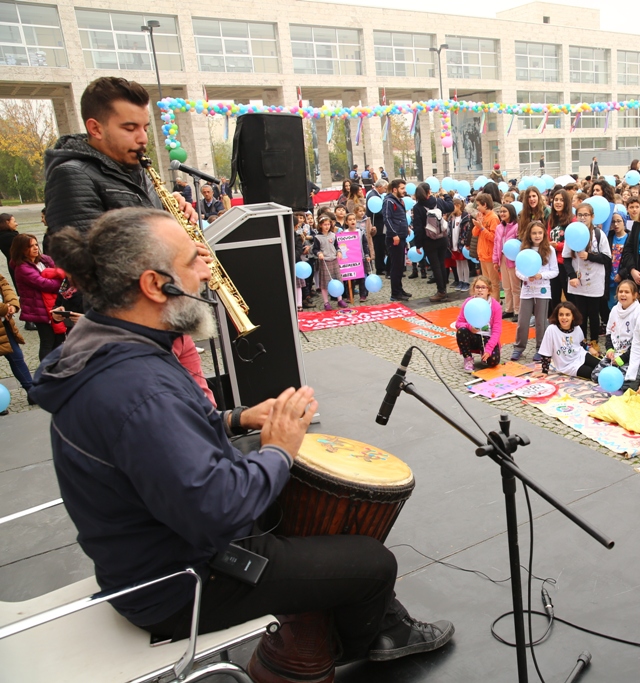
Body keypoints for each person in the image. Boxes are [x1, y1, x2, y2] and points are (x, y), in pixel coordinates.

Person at [32, 208, 453, 678]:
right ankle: (353, 642)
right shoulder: (140, 388)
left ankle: (341, 624)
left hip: (146, 557)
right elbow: (220, 509)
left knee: (294, 499)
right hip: (183, 585)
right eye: (193, 260)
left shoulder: (110, 348)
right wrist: (279, 448)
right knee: (373, 564)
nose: (206, 271)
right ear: (154, 285)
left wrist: (235, 419)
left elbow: (154, 441)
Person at [43, 77, 196, 264]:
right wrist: (178, 252)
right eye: (130, 129)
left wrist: (169, 213)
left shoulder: (134, 168)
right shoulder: (71, 176)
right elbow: (89, 264)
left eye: (145, 128)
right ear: (95, 128)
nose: (143, 139)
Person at [9, 233, 67, 361]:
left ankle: (55, 366)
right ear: (21, 249)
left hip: (51, 305)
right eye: (30, 246)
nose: (35, 248)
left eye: (36, 244)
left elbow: (61, 271)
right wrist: (61, 281)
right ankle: (45, 369)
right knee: (48, 341)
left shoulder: (44, 260)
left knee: (59, 338)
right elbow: (45, 284)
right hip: (38, 309)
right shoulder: (22, 268)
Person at [563, 203, 612, 347]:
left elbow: (607, 258)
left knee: (593, 312)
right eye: (580, 215)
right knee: (580, 313)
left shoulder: (599, 234)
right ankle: (582, 340)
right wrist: (572, 276)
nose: (583, 218)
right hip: (578, 281)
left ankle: (594, 340)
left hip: (595, 280)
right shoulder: (572, 233)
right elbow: (566, 258)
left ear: (592, 216)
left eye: (586, 215)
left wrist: (589, 256)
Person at [512, 221, 558, 362]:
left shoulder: (550, 250)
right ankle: (519, 347)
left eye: (539, 233)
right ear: (529, 235)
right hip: (527, 290)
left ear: (544, 234)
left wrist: (541, 275)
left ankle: (541, 348)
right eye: (534, 233)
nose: (537, 236)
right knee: (523, 321)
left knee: (540, 322)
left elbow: (555, 271)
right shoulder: (524, 250)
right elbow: (518, 270)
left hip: (542, 290)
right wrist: (526, 277)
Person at [411, 182, 455, 303]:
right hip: (442, 238)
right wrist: (446, 195)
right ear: (429, 191)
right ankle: (443, 289)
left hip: (429, 240)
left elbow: (418, 228)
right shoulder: (438, 201)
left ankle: (441, 291)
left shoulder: (417, 207)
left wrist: (418, 244)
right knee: (441, 263)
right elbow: (451, 207)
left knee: (435, 266)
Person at [538, 301, 600, 379]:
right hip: (568, 365)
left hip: (580, 355)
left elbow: (581, 343)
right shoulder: (551, 329)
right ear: (557, 316)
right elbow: (546, 352)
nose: (564, 317)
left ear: (573, 316)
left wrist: (590, 348)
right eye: (561, 315)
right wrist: (544, 371)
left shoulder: (577, 327)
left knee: (603, 366)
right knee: (595, 373)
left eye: (567, 315)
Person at [0, 272, 32, 412]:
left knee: (17, 357)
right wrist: (5, 308)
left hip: (4, 324)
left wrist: (12, 304)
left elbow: (5, 286)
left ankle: (32, 392)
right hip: (3, 316)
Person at [455, 276, 502, 372]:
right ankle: (468, 359)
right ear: (474, 289)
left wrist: (488, 349)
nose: (480, 290)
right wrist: (469, 327)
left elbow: (497, 331)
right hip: (473, 336)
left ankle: (483, 352)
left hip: (487, 337)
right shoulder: (468, 302)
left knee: (493, 362)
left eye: (483, 287)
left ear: (489, 290)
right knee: (461, 331)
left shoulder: (496, 306)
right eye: (477, 287)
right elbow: (458, 323)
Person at [382, 179, 412, 302]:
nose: (404, 191)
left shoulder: (399, 201)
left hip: (402, 235)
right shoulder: (389, 201)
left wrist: (406, 227)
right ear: (395, 189)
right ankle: (395, 293)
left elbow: (401, 217)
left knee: (400, 266)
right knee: (396, 266)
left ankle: (400, 290)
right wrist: (394, 234)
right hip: (394, 238)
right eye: (402, 188)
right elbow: (387, 218)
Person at [604, 279, 640, 371]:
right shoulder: (614, 309)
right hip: (615, 355)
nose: (623, 294)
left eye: (627, 292)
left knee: (622, 377)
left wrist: (623, 358)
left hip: (631, 356)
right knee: (596, 375)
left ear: (635, 295)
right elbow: (609, 331)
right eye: (620, 291)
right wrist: (609, 349)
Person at [546, 188, 573, 305]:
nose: (558, 202)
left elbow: (572, 242)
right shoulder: (551, 219)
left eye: (561, 200)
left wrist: (558, 246)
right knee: (554, 295)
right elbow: (548, 236)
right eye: (556, 199)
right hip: (552, 262)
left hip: (566, 262)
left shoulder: (572, 220)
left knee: (569, 295)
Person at [493, 203, 520, 317]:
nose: (502, 214)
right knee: (506, 285)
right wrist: (495, 260)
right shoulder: (499, 227)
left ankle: (517, 310)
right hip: (502, 258)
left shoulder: (516, 227)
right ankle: (509, 309)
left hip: (513, 259)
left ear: (511, 212)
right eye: (501, 211)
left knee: (515, 286)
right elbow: (496, 244)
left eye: (504, 211)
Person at [472, 193, 500, 300]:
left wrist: (482, 227)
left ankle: (495, 304)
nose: (477, 208)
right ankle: (488, 303)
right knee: (486, 283)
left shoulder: (493, 218)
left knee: (493, 283)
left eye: (478, 205)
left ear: (485, 204)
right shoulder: (483, 216)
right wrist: (478, 224)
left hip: (490, 255)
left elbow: (494, 237)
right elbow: (475, 233)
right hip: (483, 254)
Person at [366, 178, 388, 276]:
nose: (385, 190)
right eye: (385, 188)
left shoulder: (375, 194)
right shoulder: (373, 196)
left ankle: (382, 266)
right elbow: (376, 211)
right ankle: (380, 268)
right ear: (379, 187)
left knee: (381, 247)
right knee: (379, 247)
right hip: (377, 225)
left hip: (379, 224)